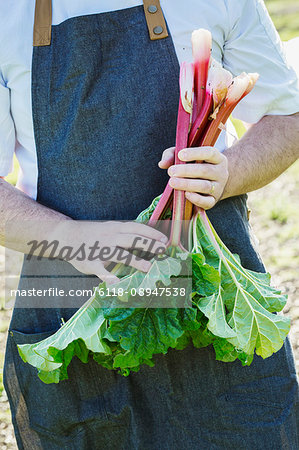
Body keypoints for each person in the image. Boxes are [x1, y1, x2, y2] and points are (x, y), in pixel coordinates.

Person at [1, 0, 299, 448]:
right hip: (72, 292)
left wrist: (230, 171)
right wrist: (72, 240)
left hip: (209, 283)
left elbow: (288, 112)